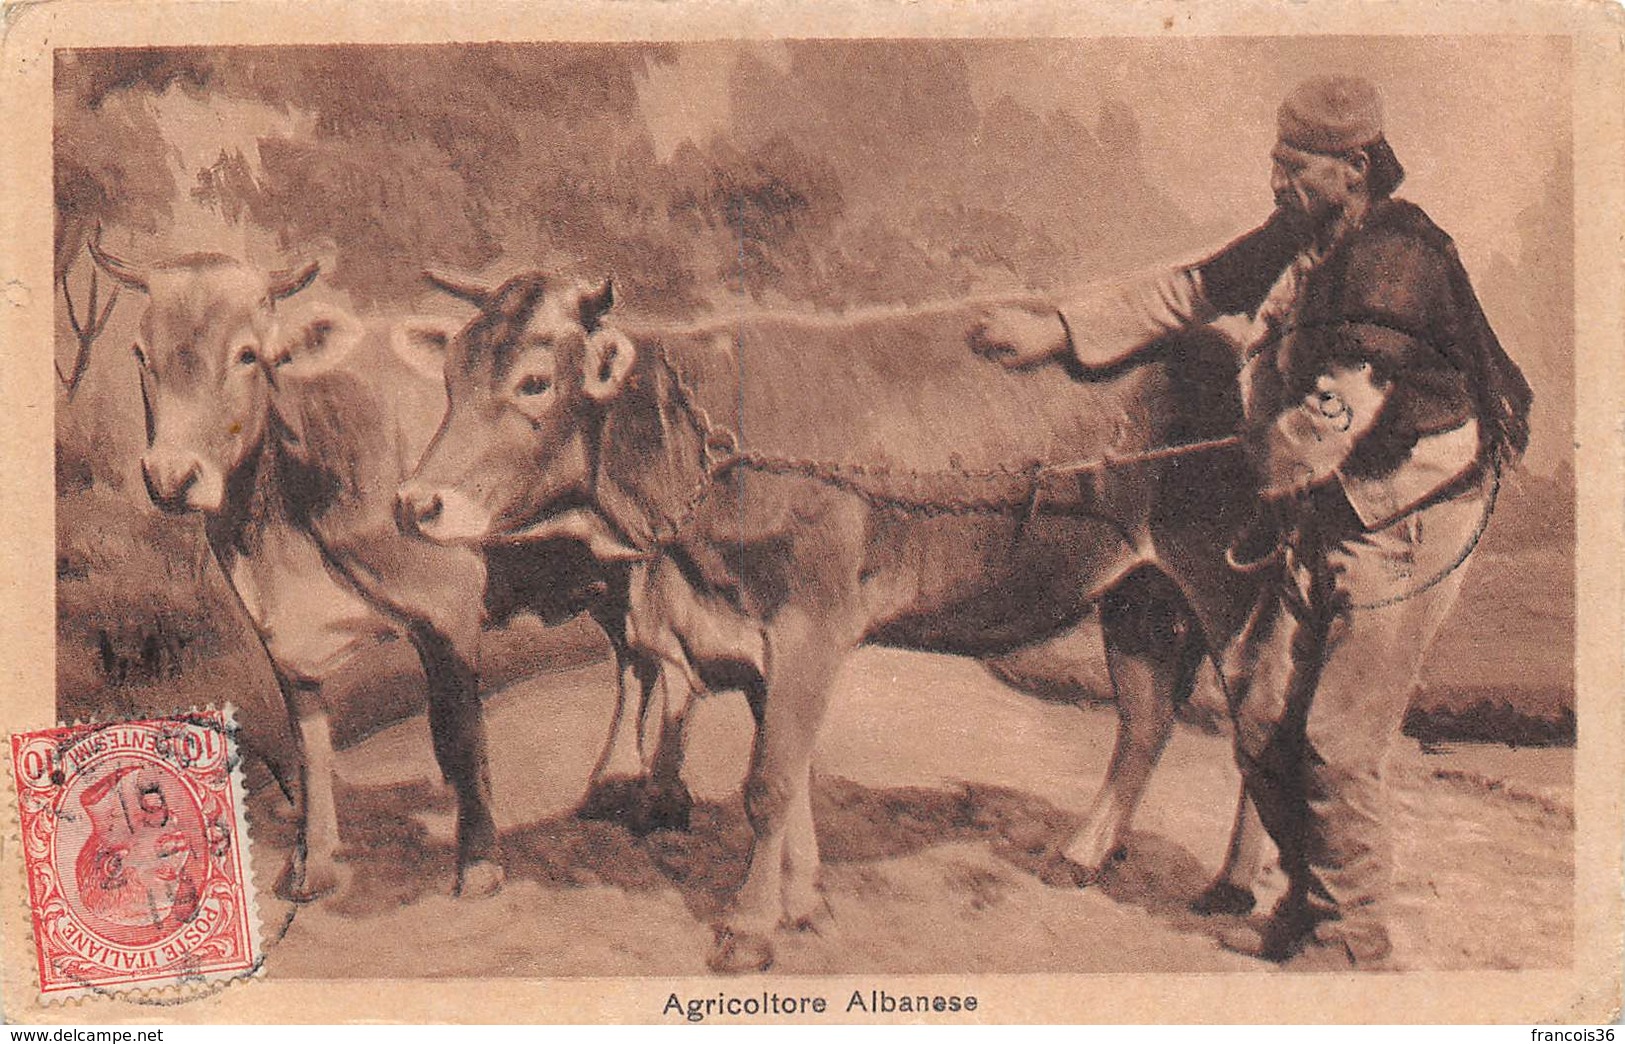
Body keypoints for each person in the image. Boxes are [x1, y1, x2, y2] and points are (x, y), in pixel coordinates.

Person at [970, 75, 1532, 970]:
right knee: (1264, 708)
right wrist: (1062, 332)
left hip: (1409, 511)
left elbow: (1331, 416)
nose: (1276, 179)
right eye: (1274, 159)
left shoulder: (1397, 259)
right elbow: (1193, 290)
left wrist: (1236, 466)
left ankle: (1351, 934)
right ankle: (1305, 910)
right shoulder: (1306, 234)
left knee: (1338, 738)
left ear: (1352, 167)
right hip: (1338, 497)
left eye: (1294, 164)